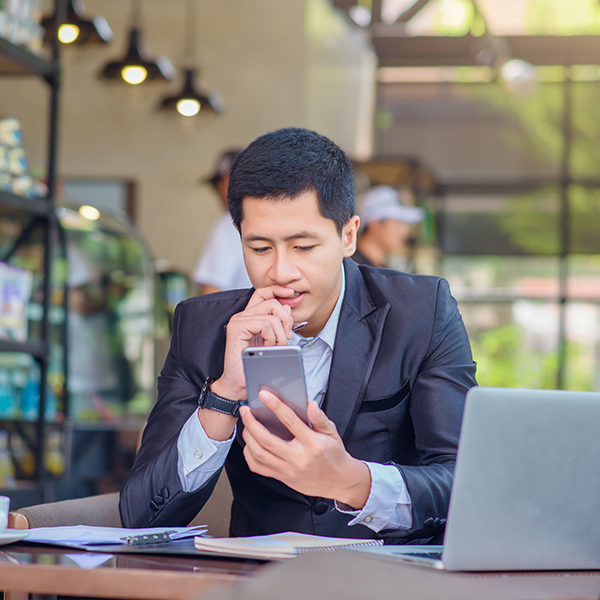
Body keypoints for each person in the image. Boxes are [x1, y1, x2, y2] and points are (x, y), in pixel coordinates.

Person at [120, 128, 477, 544]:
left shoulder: (422, 311)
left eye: (303, 247)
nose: (281, 272)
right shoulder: (201, 329)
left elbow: (463, 481)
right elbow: (141, 518)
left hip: (389, 578)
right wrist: (224, 392)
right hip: (257, 582)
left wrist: (355, 482)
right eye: (259, 248)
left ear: (348, 235)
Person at [192, 148, 252, 295]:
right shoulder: (273, 218)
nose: (216, 194)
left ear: (228, 182)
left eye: (215, 185)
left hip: (244, 316)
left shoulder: (230, 223)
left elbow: (210, 293)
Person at [353, 185, 424, 271]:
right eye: (398, 222)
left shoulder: (378, 268)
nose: (405, 231)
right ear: (375, 225)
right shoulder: (355, 268)